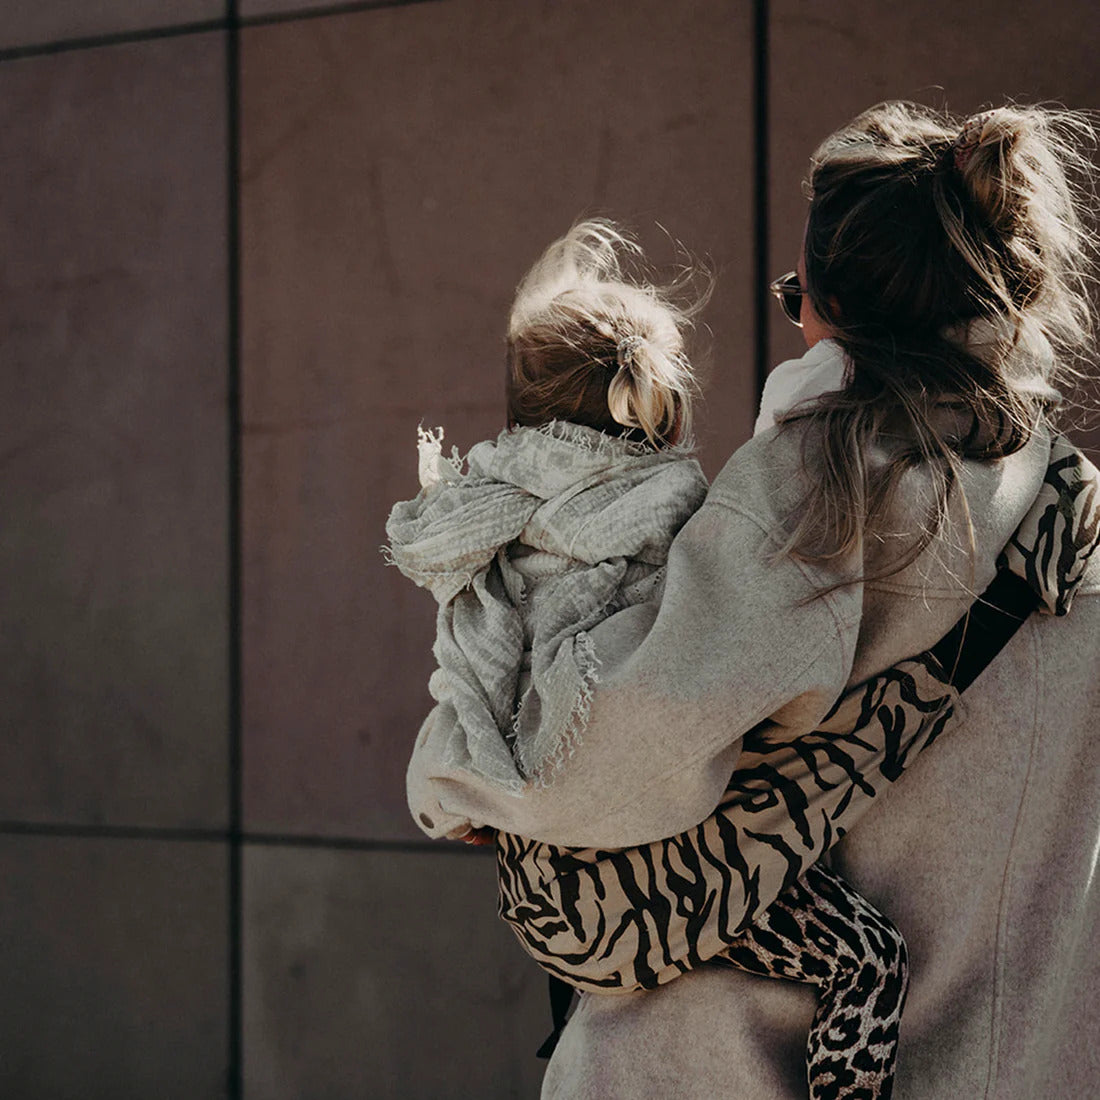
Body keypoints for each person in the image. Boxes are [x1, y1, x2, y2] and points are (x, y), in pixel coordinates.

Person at [402, 101, 1100, 1098]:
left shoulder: (821, 491)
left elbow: (576, 763)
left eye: (794, 299)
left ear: (830, 309)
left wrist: (450, 780)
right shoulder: (1071, 509)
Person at [387, 218, 940, 1097]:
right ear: (661, 406)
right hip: (647, 877)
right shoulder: (674, 512)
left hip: (541, 895)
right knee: (866, 961)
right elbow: (718, 657)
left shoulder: (488, 521)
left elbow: (471, 677)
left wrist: (461, 785)